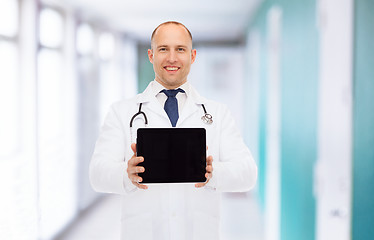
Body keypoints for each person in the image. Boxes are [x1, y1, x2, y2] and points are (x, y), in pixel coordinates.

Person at [89, 21, 257, 240]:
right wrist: (126, 173)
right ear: (151, 55)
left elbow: (248, 174)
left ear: (192, 56)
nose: (172, 58)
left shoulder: (218, 113)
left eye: (180, 49)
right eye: (163, 49)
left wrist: (211, 172)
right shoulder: (122, 112)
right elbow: (96, 175)